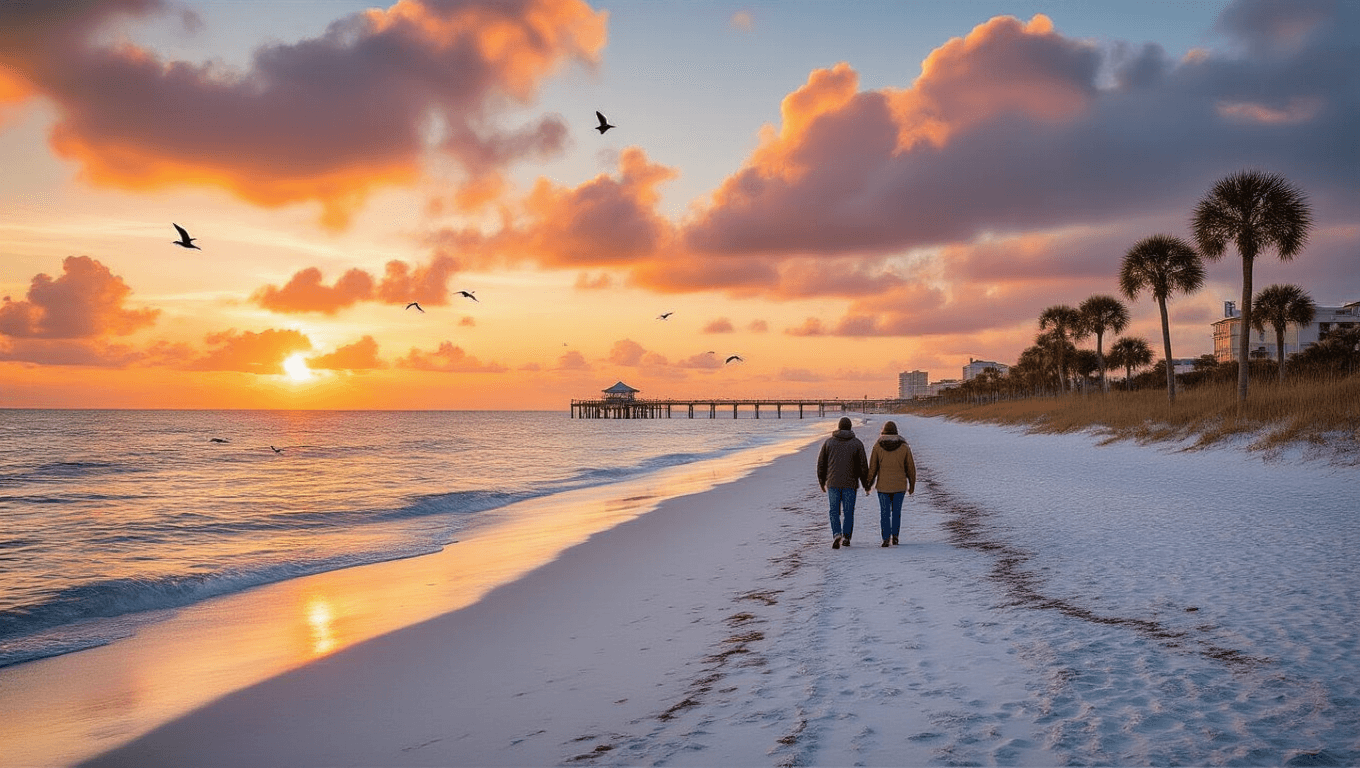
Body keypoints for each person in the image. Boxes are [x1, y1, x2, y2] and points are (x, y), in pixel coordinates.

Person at [816, 416, 868, 549]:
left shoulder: (828, 443)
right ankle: (846, 537)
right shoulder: (857, 443)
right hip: (850, 483)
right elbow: (863, 467)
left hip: (833, 482)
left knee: (834, 511)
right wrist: (866, 484)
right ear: (850, 427)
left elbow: (821, 464)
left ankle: (836, 533)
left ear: (839, 427)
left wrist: (822, 481)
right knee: (849, 511)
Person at [866, 420, 916, 547]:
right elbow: (911, 468)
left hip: (883, 486)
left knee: (884, 513)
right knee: (896, 512)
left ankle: (885, 538)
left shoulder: (877, 446)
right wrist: (912, 485)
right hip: (900, 486)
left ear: (883, 432)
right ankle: (896, 537)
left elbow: (873, 468)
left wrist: (868, 484)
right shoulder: (904, 447)